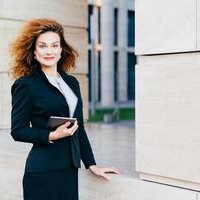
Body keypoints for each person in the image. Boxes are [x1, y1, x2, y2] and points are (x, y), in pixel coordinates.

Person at [9, 18, 121, 200]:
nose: (49, 51)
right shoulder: (26, 85)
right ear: (34, 51)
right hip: (42, 171)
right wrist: (51, 135)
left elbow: (79, 128)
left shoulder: (72, 83)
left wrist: (91, 164)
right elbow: (18, 130)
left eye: (54, 45)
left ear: (61, 50)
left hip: (69, 170)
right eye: (43, 46)